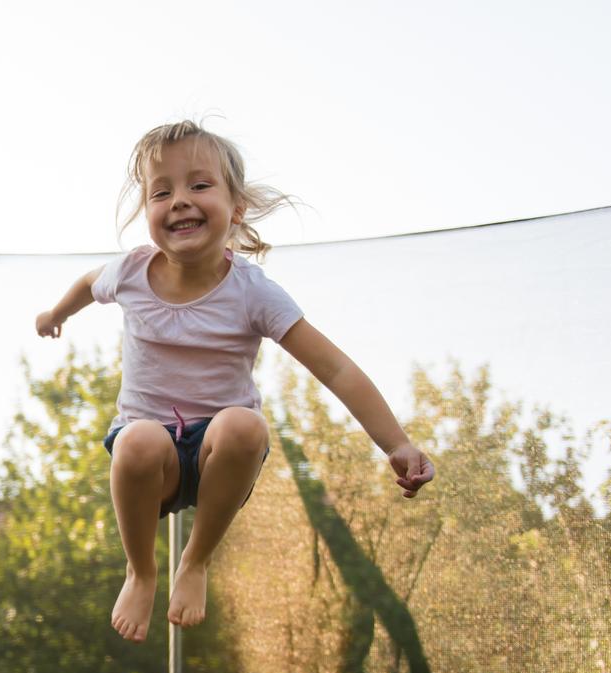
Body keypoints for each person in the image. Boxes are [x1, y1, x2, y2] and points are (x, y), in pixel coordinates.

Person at [35, 120, 434, 643]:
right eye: (162, 192)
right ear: (147, 212)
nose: (179, 201)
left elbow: (335, 368)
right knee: (136, 438)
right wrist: (56, 313)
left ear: (236, 209)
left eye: (199, 186)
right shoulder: (130, 272)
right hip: (152, 464)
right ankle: (141, 570)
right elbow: (90, 283)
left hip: (216, 460)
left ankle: (195, 561)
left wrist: (396, 442)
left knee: (245, 425)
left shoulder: (253, 293)